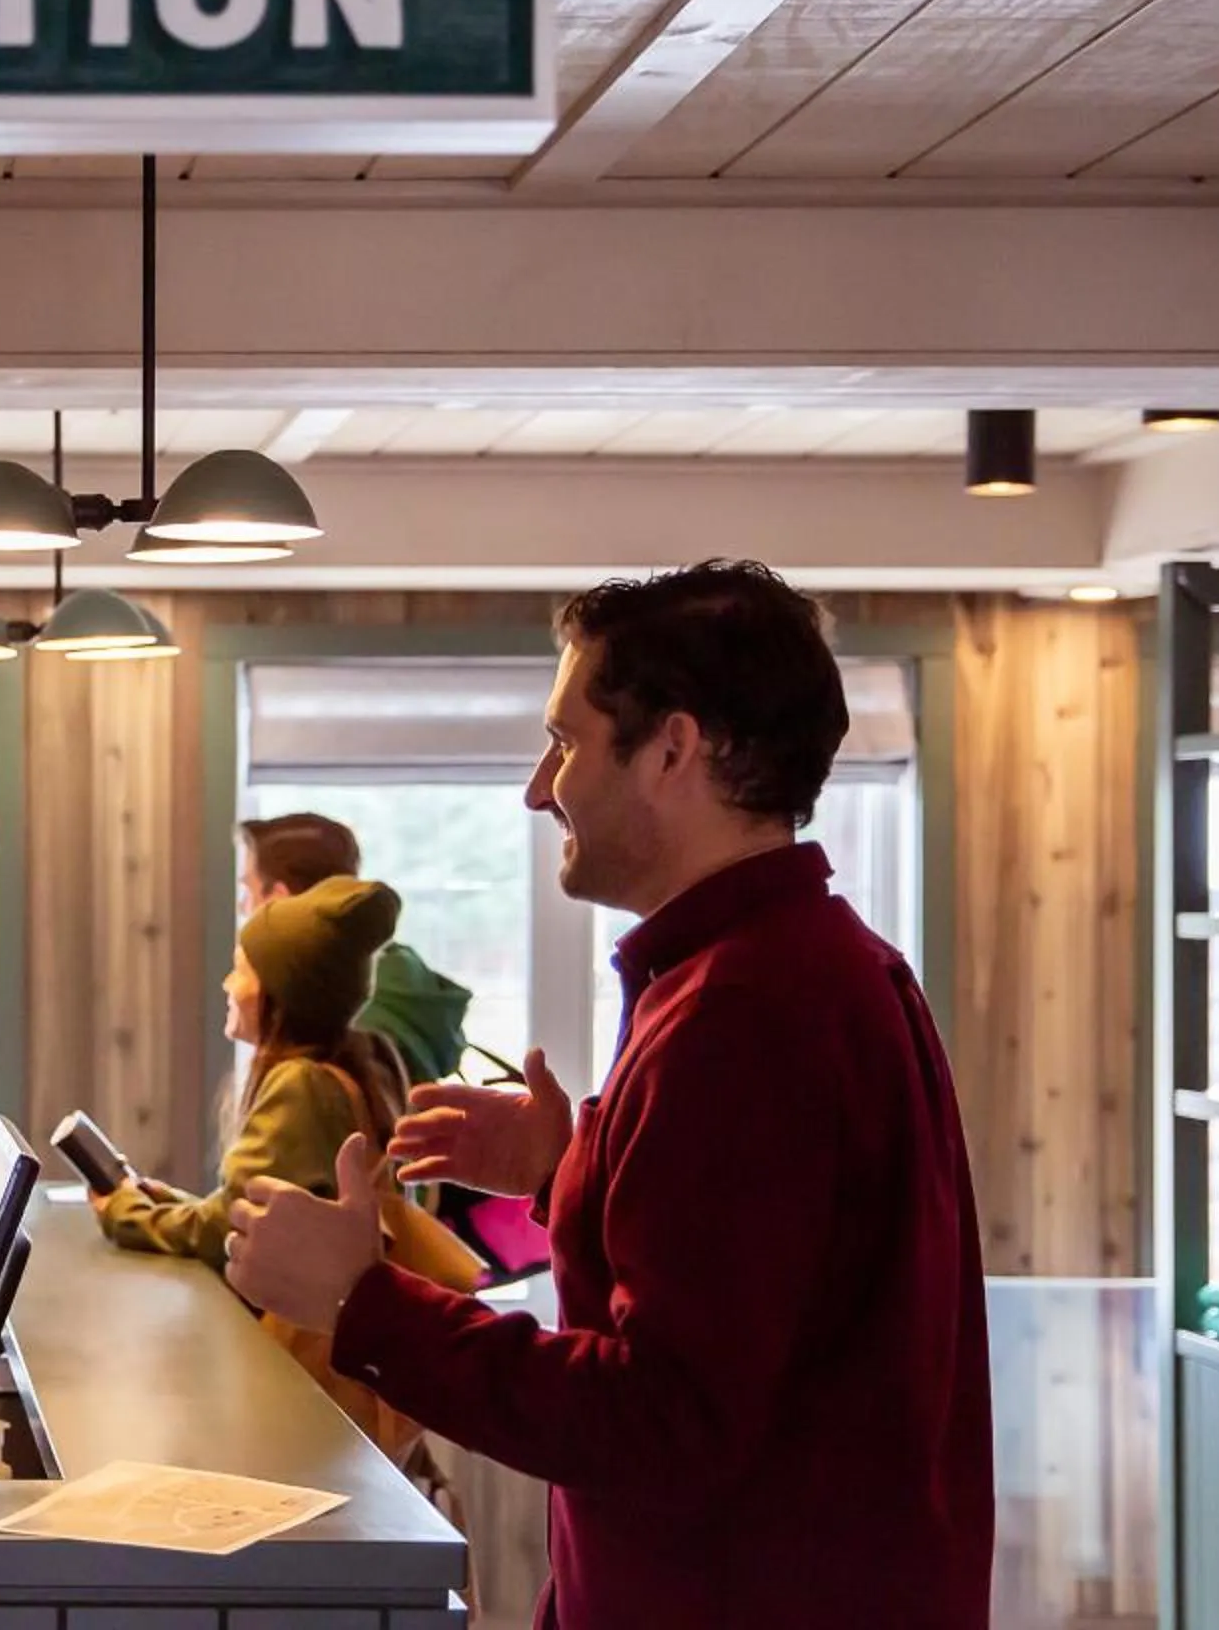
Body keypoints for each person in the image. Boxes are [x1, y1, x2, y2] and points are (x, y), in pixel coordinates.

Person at [225, 562, 993, 1630]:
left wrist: (364, 1303)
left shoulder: (746, 1013)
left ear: (673, 749)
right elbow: (768, 1281)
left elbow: (663, 1418)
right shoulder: (809, 966)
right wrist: (570, 1167)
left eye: (567, 742)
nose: (540, 788)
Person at [92, 876, 410, 1268]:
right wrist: (169, 1204)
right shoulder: (354, 1066)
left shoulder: (301, 1085)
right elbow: (254, 1211)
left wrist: (125, 1212)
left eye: (241, 971)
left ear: (282, 993)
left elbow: (229, 1228)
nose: (228, 984)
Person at [242, 812, 471, 1086]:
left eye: (249, 890)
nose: (244, 907)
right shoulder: (397, 976)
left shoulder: (342, 1012)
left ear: (278, 899)